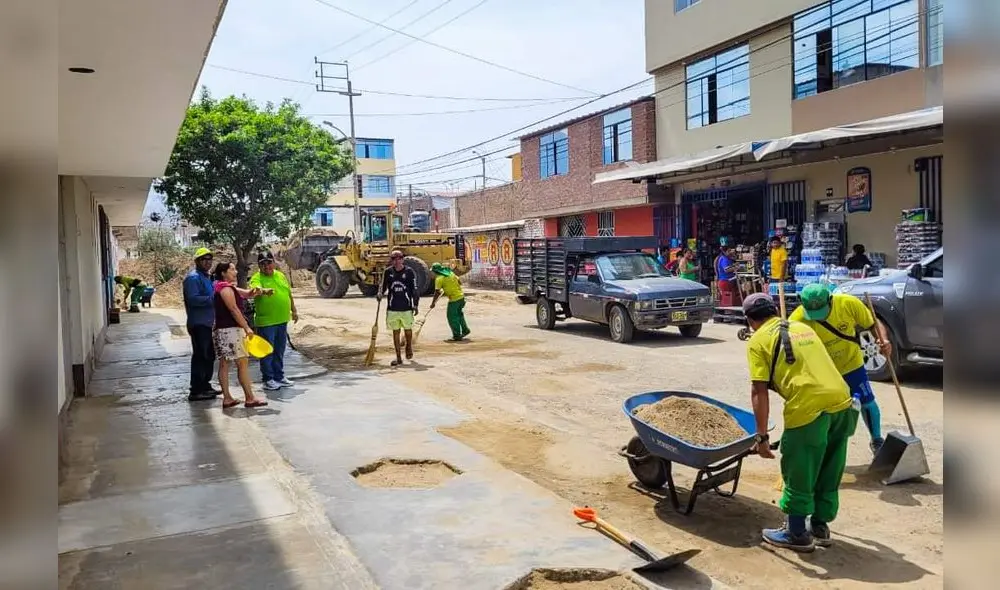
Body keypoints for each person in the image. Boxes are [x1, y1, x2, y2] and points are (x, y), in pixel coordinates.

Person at [743, 293, 858, 552]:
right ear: (774, 311)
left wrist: (761, 437)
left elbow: (758, 391)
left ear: (750, 320)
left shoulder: (757, 341)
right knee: (830, 465)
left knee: (799, 467)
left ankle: (796, 533)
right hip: (843, 401)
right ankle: (820, 526)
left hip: (809, 406)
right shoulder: (802, 327)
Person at [790, 283, 891, 454]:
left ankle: (877, 440)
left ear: (830, 300)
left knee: (867, 401)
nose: (818, 318)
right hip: (823, 371)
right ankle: (825, 447)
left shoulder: (848, 304)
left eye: (822, 312)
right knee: (826, 410)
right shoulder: (796, 320)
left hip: (851, 364)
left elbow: (873, 323)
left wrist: (883, 340)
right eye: (813, 314)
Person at [212, 262, 267, 408]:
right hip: (231, 331)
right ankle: (249, 398)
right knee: (242, 363)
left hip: (222, 331)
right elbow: (234, 310)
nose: (235, 271)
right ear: (223, 273)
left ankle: (228, 398)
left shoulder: (224, 287)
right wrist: (247, 327)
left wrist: (259, 291)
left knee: (224, 363)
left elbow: (247, 293)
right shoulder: (225, 289)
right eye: (232, 269)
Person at [249, 252, 298, 391]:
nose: (267, 266)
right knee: (267, 351)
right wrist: (263, 291)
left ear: (274, 262)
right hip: (266, 322)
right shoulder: (256, 277)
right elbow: (254, 290)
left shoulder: (280, 275)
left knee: (279, 350)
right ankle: (268, 379)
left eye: (269, 262)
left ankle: (279, 376)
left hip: (282, 320)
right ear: (259, 266)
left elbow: (288, 293)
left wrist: (294, 310)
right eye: (263, 264)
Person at [182, 248, 219, 402]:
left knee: (209, 356)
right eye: (204, 259)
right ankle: (196, 389)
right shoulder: (193, 278)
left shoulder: (206, 277)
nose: (208, 262)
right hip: (198, 323)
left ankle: (205, 385)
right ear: (197, 261)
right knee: (200, 356)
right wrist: (213, 298)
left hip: (208, 323)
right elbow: (193, 299)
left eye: (210, 259)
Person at [378, 250, 419, 366]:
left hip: (406, 307)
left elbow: (414, 290)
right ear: (391, 260)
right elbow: (383, 287)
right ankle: (398, 357)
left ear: (403, 259)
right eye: (394, 258)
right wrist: (379, 294)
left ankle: (409, 346)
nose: (397, 261)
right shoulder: (388, 272)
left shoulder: (409, 272)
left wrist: (415, 304)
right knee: (395, 332)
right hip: (392, 308)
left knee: (408, 330)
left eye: (399, 258)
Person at [430, 262, 469, 342]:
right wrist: (448, 287)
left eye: (433, 272)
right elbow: (459, 282)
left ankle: (457, 336)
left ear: (436, 271)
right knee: (459, 315)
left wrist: (433, 303)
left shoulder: (439, 278)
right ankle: (465, 330)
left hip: (454, 300)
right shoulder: (451, 273)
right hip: (461, 297)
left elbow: (437, 292)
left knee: (452, 317)